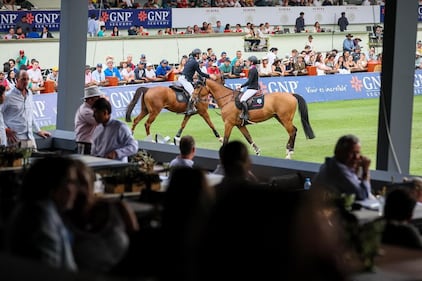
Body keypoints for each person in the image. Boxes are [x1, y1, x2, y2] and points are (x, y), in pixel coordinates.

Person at [4, 156, 80, 271]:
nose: (76, 189)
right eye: (70, 182)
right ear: (53, 185)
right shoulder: (41, 219)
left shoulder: (40, 212)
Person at [64, 159, 139, 273]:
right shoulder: (61, 220)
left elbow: (138, 246)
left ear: (91, 182)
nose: (81, 190)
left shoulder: (118, 208)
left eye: (83, 183)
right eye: (74, 184)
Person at [313, 134, 373, 201]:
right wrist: (366, 170)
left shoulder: (333, 163)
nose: (356, 157)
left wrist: (356, 169)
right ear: (339, 152)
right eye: (352, 153)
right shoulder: (338, 170)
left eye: (358, 153)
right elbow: (363, 195)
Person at [2, 70, 51, 149]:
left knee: (33, 159)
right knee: (18, 161)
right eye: (23, 79)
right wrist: (5, 129)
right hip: (15, 138)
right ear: (17, 79)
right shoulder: (8, 96)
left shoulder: (30, 94)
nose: (26, 81)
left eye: (27, 79)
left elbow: (30, 115)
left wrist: (38, 130)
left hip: (29, 137)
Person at [91, 97, 138, 162]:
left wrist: (116, 153)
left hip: (117, 168)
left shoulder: (120, 127)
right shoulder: (97, 129)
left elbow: (133, 147)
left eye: (96, 112)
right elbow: (94, 150)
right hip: (100, 166)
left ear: (105, 112)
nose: (93, 116)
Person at [178, 48, 216, 116]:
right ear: (197, 54)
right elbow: (200, 73)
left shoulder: (190, 60)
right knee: (193, 93)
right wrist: (209, 76)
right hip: (185, 79)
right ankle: (189, 109)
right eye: (199, 54)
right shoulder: (195, 62)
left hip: (185, 78)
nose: (200, 55)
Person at [74, 86, 103, 155]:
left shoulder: (88, 109)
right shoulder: (86, 111)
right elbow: (100, 122)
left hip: (88, 142)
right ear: (90, 100)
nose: (99, 100)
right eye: (97, 98)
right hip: (85, 143)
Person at [237, 56, 259, 124]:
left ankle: (246, 116)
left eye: (247, 61)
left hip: (252, 88)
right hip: (252, 87)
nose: (246, 63)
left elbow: (249, 81)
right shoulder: (253, 69)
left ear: (251, 62)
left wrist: (241, 86)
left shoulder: (252, 69)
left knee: (242, 100)